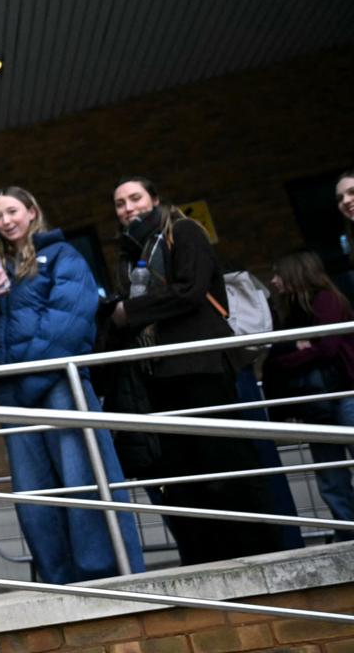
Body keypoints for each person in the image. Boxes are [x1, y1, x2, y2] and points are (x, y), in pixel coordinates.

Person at [0, 187, 144, 584]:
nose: (5, 221)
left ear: (31, 212)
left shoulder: (64, 256)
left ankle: (107, 574)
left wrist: (28, 375)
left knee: (84, 483)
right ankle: (58, 577)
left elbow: (69, 321)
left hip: (59, 387)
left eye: (11, 211)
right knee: (34, 495)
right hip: (14, 395)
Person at [106, 176, 287, 564]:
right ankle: (209, 558)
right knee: (187, 474)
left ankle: (258, 553)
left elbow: (190, 290)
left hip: (200, 367)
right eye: (120, 204)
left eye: (135, 198)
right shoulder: (131, 253)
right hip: (160, 374)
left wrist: (130, 312)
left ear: (154, 198)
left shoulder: (184, 231)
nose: (128, 208)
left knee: (226, 462)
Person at [263, 250, 354, 540]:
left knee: (334, 470)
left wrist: (304, 348)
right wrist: (298, 349)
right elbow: (276, 357)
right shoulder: (288, 309)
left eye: (279, 273)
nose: (274, 280)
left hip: (345, 394)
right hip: (318, 402)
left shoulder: (326, 299)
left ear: (295, 273)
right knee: (330, 475)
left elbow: (327, 349)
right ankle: (349, 533)